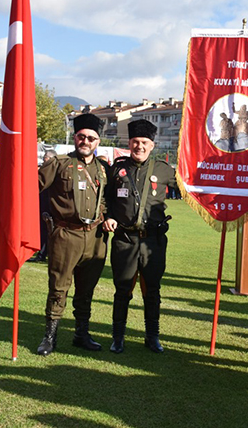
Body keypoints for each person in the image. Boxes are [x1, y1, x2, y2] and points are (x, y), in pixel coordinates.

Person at [36, 113, 110, 356]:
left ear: (98, 141)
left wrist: (109, 216)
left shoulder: (103, 169)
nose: (85, 141)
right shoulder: (58, 163)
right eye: (81, 136)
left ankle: (81, 334)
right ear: (75, 137)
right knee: (59, 287)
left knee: (86, 289)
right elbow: (30, 187)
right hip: (66, 234)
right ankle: (50, 337)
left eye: (91, 138)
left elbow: (107, 200)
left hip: (96, 237)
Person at [102, 119, 176, 354]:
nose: (139, 146)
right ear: (129, 143)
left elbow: (189, 188)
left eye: (144, 142)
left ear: (152, 145)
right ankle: (118, 337)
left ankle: (152, 336)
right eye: (135, 142)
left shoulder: (164, 170)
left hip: (153, 241)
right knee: (122, 290)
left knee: (152, 291)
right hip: (125, 240)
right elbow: (105, 198)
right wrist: (108, 216)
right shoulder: (117, 169)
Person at [29, 150, 58, 263]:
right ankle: (43, 253)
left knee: (47, 231)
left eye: (45, 157)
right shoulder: (46, 170)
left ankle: (43, 254)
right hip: (43, 205)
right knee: (43, 231)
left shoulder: (53, 171)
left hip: (49, 206)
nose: (43, 159)